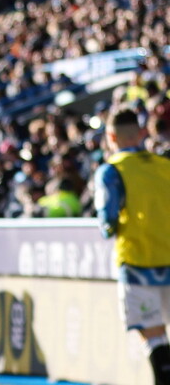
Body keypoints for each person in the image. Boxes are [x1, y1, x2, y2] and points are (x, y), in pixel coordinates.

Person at [94, 106, 170, 385]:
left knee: (153, 334)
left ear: (111, 137)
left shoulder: (111, 171)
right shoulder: (165, 165)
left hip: (138, 261)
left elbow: (108, 222)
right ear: (141, 133)